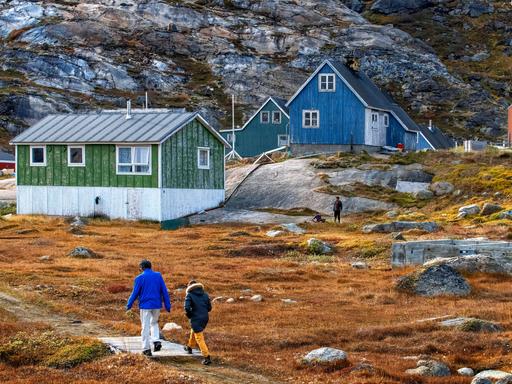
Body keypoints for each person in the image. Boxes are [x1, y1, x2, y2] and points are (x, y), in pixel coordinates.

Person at [126, 259, 171, 357]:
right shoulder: (158, 276)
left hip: (145, 306)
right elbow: (164, 291)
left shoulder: (139, 278)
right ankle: (156, 341)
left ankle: (146, 349)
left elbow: (135, 293)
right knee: (154, 323)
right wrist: (167, 305)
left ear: (142, 267)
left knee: (145, 326)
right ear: (150, 266)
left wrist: (129, 304)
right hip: (156, 305)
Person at [183, 280, 212, 365]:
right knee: (194, 330)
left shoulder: (189, 295)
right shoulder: (205, 294)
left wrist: (190, 315)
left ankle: (207, 357)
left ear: (189, 287)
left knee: (199, 337)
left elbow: (187, 308)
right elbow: (209, 308)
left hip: (196, 318)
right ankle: (189, 347)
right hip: (205, 318)